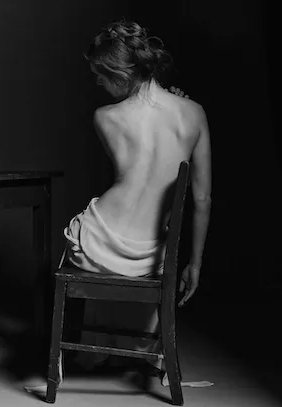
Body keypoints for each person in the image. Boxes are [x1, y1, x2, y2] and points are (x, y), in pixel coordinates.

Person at [61, 20, 212, 383]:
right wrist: (195, 263)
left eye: (100, 75)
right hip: (152, 256)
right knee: (149, 253)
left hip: (96, 246)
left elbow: (134, 167)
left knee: (80, 243)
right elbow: (202, 198)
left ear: (121, 73)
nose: (98, 83)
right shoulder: (194, 113)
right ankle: (136, 348)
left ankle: (94, 349)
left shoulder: (104, 117)